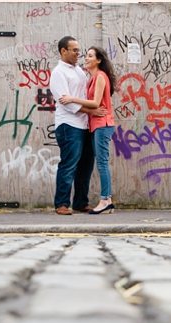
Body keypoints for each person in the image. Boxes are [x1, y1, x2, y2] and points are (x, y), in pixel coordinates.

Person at [49, 36, 105, 215]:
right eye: (74, 50)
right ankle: (61, 204)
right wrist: (92, 111)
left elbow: (85, 95)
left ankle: (80, 202)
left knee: (86, 166)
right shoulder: (58, 73)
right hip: (68, 125)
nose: (78, 54)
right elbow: (67, 103)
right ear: (63, 51)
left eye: (79, 50)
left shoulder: (79, 71)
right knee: (69, 164)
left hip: (85, 125)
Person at [59, 46, 117, 214]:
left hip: (103, 124)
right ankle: (107, 201)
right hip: (96, 125)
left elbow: (96, 103)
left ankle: (105, 200)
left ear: (98, 60)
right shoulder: (92, 78)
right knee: (100, 162)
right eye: (86, 55)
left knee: (102, 163)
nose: (86, 58)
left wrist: (72, 99)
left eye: (90, 56)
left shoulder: (100, 76)